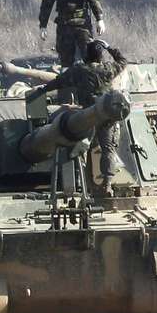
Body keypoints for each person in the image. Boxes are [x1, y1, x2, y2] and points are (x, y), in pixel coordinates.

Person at [30, 39, 127, 196]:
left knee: (79, 149)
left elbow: (60, 82)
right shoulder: (108, 69)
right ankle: (107, 184)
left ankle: (83, 184)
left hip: (86, 116)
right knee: (107, 149)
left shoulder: (80, 70)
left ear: (86, 55)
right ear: (101, 57)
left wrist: (43, 90)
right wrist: (109, 47)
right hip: (106, 115)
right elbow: (122, 61)